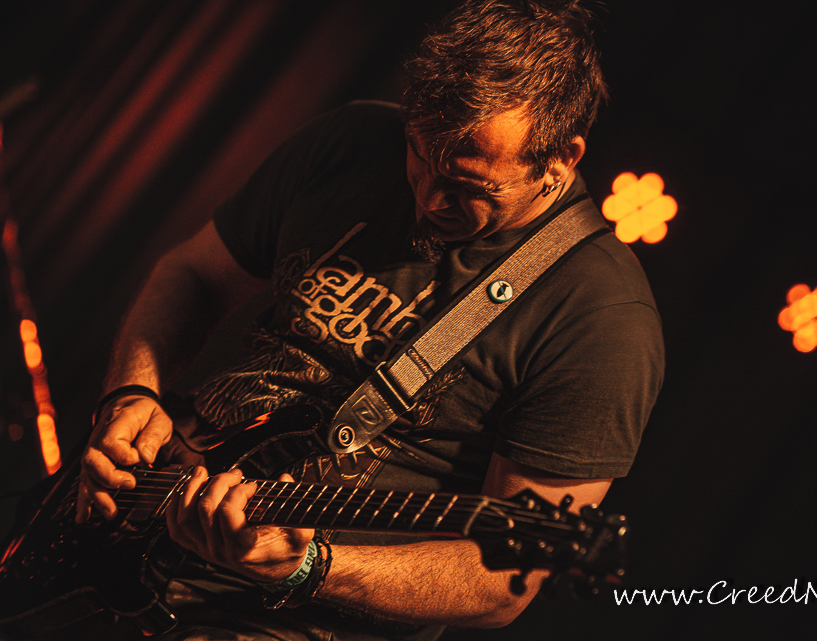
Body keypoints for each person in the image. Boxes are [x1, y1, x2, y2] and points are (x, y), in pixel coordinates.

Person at [75, 0, 664, 639]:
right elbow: (193, 273)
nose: (429, 197)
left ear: (561, 161)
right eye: (420, 154)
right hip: (134, 527)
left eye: (469, 186)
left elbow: (499, 584)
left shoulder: (602, 317)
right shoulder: (351, 143)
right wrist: (132, 395)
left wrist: (306, 567)